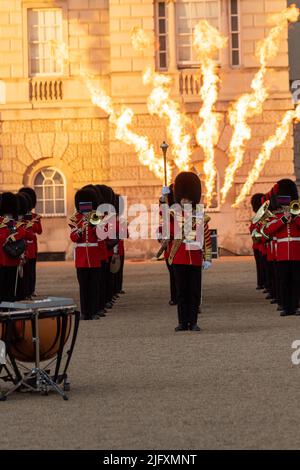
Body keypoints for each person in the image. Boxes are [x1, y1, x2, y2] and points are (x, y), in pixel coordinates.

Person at [167, 171, 212, 332]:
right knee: (181, 293)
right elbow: (168, 230)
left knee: (193, 293)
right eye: (182, 197)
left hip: (194, 257)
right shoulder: (173, 213)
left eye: (188, 197)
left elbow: (206, 237)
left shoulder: (200, 216)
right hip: (179, 257)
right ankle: (182, 322)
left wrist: (208, 257)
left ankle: (193, 322)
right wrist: (164, 200)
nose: (185, 200)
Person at [263, 179, 300, 316]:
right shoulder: (277, 214)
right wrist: (283, 219)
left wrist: (294, 217)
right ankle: (286, 306)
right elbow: (268, 230)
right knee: (283, 280)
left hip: (297, 251)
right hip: (283, 253)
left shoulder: (298, 210)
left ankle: (296, 306)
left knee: (296, 280)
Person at [69, 188, 102, 320]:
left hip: (93, 256)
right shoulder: (75, 218)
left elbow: (101, 235)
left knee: (94, 286)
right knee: (83, 286)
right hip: (82, 257)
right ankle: (84, 312)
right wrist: (79, 232)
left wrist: (94, 226)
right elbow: (73, 237)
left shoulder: (95, 217)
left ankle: (93, 311)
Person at [0, 192, 33, 302]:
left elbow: (25, 233)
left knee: (10, 290)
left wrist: (13, 236)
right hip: (2, 260)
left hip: (12, 259)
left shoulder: (13, 223)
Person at [19, 187, 42, 298]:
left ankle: (31, 290)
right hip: (23, 246)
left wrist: (32, 222)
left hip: (32, 246)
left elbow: (39, 231)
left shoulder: (35, 217)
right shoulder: (19, 217)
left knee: (31, 270)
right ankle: (24, 290)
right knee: (24, 270)